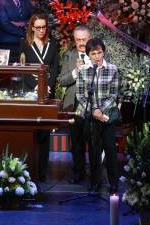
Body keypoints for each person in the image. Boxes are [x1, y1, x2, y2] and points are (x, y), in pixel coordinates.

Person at [75, 38, 119, 193]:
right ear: (88, 55)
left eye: (99, 52)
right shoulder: (84, 70)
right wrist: (94, 111)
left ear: (103, 52)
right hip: (92, 116)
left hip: (107, 115)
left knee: (110, 149)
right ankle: (95, 182)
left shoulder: (112, 69)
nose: (97, 56)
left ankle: (113, 182)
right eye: (93, 53)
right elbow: (80, 95)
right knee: (94, 149)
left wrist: (101, 110)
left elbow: (114, 94)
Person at [20, 14, 60, 182]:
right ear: (32, 28)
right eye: (38, 27)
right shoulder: (25, 44)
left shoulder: (53, 44)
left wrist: (48, 87)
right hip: (30, 92)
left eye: (44, 27)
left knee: (44, 132)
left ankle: (42, 171)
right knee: (30, 131)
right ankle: (27, 169)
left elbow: (55, 67)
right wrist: (36, 87)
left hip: (47, 93)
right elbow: (23, 69)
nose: (42, 30)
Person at [58, 25, 92, 184]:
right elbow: (62, 80)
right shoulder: (69, 56)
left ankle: (95, 174)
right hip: (74, 105)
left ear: (89, 38)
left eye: (84, 39)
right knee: (76, 143)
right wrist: (75, 72)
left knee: (93, 141)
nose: (81, 43)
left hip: (92, 105)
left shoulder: (96, 54)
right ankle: (78, 172)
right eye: (78, 40)